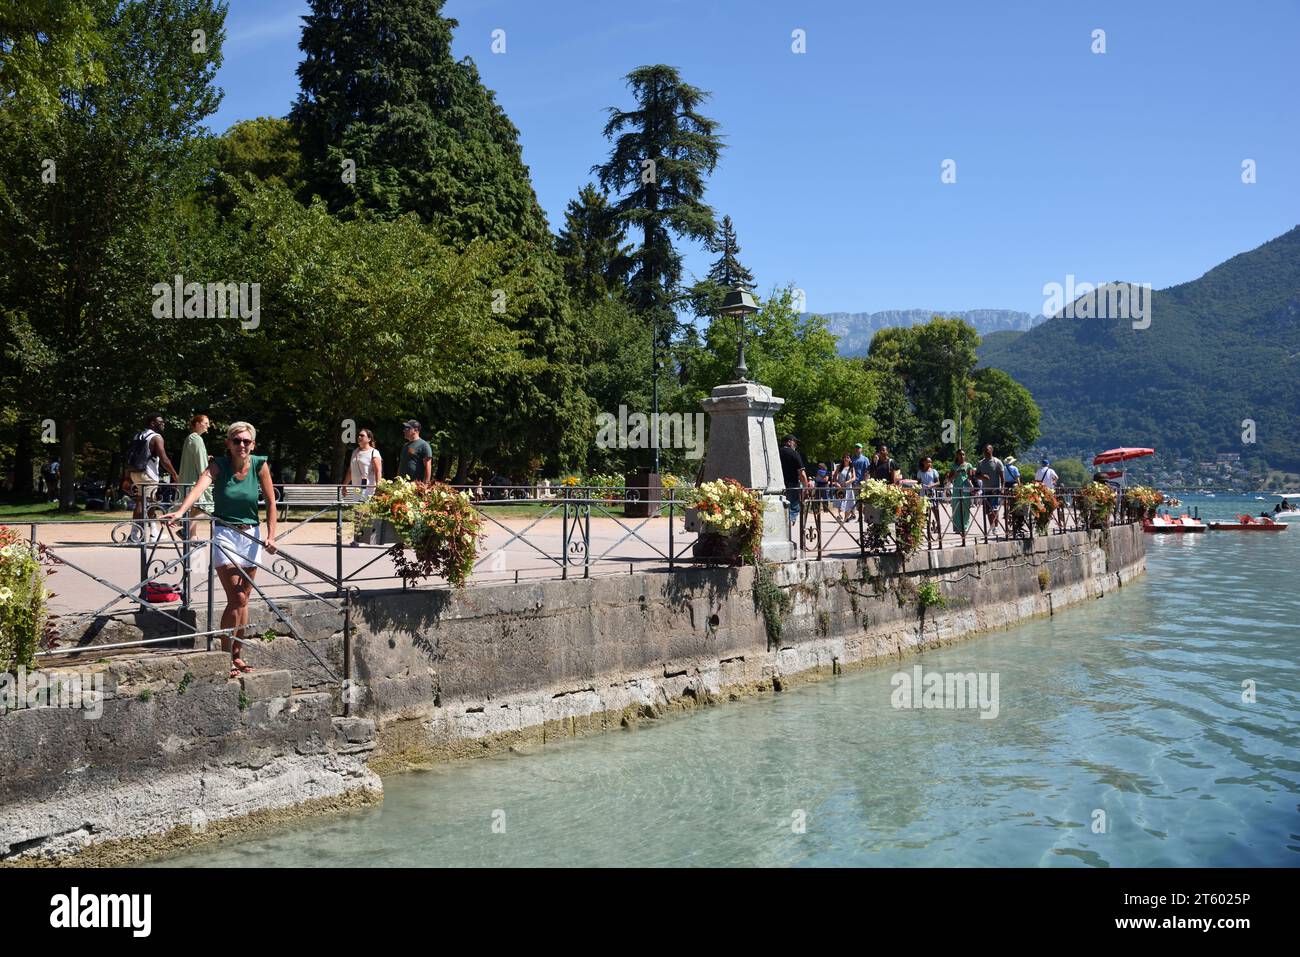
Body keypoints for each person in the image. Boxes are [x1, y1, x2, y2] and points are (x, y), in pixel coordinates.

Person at [161, 422, 278, 679]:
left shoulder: (259, 464)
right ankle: (225, 655)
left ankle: (238, 653)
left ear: (253, 444)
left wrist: (271, 536)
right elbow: (199, 487)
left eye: (246, 441)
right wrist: (181, 512)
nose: (242, 445)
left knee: (244, 599)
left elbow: (271, 502)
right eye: (237, 441)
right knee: (236, 598)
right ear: (228, 444)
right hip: (225, 533)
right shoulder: (218, 465)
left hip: (251, 536)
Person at [126, 413, 179, 526]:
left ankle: (152, 532)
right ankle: (136, 534)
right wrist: (174, 474)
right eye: (160, 422)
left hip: (135, 472)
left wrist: (127, 477)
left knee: (150, 502)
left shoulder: (138, 435)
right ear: (152, 423)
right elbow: (164, 459)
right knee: (144, 503)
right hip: (148, 474)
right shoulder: (156, 437)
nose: (163, 424)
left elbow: (129, 457)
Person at [178, 414, 214, 521]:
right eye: (206, 423)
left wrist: (205, 457)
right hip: (194, 480)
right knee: (199, 508)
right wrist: (207, 478)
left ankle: (190, 534)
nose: (208, 426)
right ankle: (188, 532)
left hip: (189, 479)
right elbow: (200, 463)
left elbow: (195, 458)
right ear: (198, 424)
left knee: (194, 509)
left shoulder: (191, 438)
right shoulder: (196, 439)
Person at [976, 444, 1006, 532]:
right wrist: (982, 476)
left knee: (994, 509)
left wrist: (1002, 488)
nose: (986, 452)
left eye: (987, 450)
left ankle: (996, 526)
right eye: (984, 450)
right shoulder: (980, 463)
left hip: (995, 489)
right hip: (985, 490)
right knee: (988, 510)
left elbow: (1002, 477)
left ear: (991, 450)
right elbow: (976, 475)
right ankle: (991, 526)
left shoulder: (997, 462)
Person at [779, 435, 809, 524]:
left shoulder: (776, 452)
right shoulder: (794, 453)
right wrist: (806, 488)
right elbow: (802, 474)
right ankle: (788, 526)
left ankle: (783, 525)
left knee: (781, 507)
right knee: (794, 508)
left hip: (779, 485)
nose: (795, 444)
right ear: (789, 442)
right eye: (794, 442)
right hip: (792, 485)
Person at [948, 449, 977, 535]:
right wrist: (955, 474)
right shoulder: (953, 466)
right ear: (957, 456)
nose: (962, 456)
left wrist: (970, 481)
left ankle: (965, 526)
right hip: (957, 489)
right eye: (960, 454)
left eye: (963, 454)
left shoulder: (968, 465)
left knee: (965, 508)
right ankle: (957, 527)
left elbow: (971, 477)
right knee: (956, 507)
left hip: (965, 488)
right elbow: (950, 479)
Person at [348, 428, 383, 498]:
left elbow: (378, 471)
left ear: (369, 439)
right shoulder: (355, 452)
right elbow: (350, 470)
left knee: (366, 508)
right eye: (358, 435)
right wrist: (345, 485)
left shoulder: (374, 452)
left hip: (368, 490)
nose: (359, 437)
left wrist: (378, 488)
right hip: (356, 490)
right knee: (356, 508)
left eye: (362, 435)